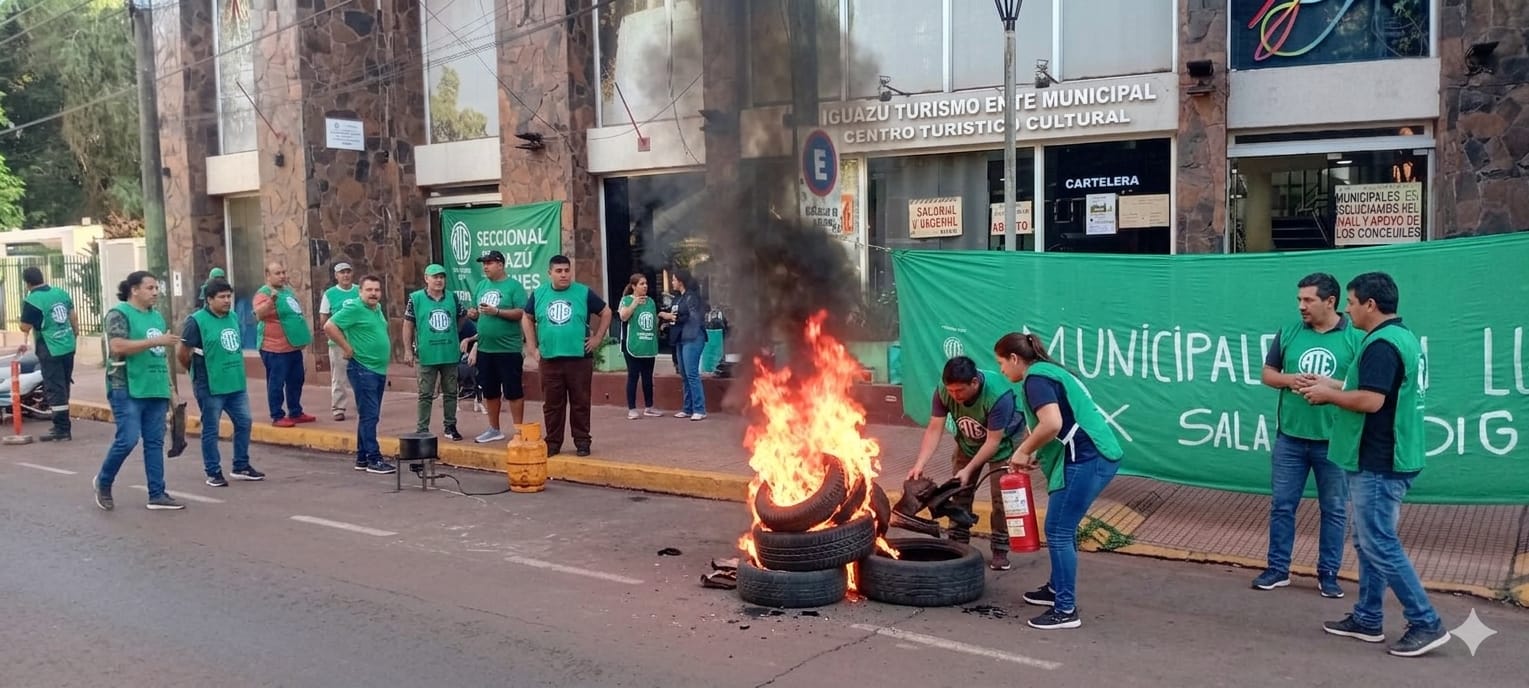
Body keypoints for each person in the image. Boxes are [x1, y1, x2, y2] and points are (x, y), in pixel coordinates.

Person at [1297, 272, 1450, 658]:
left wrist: (1326, 397)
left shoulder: (1381, 345)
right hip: (1387, 456)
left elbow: (1371, 400)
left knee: (1379, 542)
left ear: (1370, 305)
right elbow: (1369, 390)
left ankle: (1426, 621)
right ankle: (1367, 617)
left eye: (1351, 301)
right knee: (1368, 542)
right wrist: (1329, 384)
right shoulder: (1401, 337)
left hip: (1380, 460)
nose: (1347, 308)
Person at [994, 332, 1125, 630]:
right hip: (1094, 454)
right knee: (1063, 527)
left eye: (1001, 363)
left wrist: (1023, 450)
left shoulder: (1035, 379)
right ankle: (1055, 590)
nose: (1001, 370)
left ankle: (1065, 610)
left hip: (1088, 458)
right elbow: (1057, 424)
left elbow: (1052, 423)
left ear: (1015, 359)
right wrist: (1035, 451)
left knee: (1058, 529)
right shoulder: (1049, 371)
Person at [1253, 272, 1361, 597]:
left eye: (1308, 300)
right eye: (1299, 299)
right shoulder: (1288, 332)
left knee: (1335, 509)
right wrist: (1291, 380)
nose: (1301, 306)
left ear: (1330, 301)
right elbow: (1267, 374)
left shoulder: (1355, 337)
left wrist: (1330, 386)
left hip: (1335, 441)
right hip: (1291, 438)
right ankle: (1277, 569)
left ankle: (1328, 574)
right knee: (1282, 505)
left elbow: (1364, 387)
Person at [907, 355, 1025, 571]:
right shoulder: (943, 391)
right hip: (967, 444)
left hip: (1003, 446)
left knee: (1002, 499)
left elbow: (992, 442)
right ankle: (957, 542)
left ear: (974, 382)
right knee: (959, 492)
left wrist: (969, 470)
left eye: (959, 391)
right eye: (950, 391)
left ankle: (1000, 548)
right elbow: (934, 428)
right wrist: (920, 463)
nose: (954, 396)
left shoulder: (999, 396)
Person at [93, 271, 185, 511]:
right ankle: (103, 482)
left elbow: (162, 357)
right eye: (150, 288)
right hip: (125, 386)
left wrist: (171, 390)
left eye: (157, 288)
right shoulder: (119, 314)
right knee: (128, 439)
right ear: (134, 290)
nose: (155, 292)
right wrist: (155, 341)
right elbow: (116, 347)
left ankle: (157, 493)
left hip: (154, 386)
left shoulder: (156, 318)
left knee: (155, 442)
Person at [523, 254, 611, 457]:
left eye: (566, 270)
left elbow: (606, 312)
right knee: (552, 404)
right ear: (550, 273)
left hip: (579, 358)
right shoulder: (539, 294)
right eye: (559, 271)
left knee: (580, 402)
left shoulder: (583, 292)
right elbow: (526, 318)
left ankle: (582, 441)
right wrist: (532, 346)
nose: (563, 275)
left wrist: (597, 337)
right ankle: (553, 443)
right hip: (550, 358)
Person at [178, 278, 263, 487]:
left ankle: (241, 465)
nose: (227, 301)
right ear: (209, 300)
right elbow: (183, 353)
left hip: (235, 383)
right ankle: (213, 471)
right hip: (209, 385)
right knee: (211, 429)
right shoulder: (196, 321)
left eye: (229, 296)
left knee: (244, 422)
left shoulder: (232, 317)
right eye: (222, 297)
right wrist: (195, 372)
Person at [323, 274, 396, 475]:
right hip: (363, 369)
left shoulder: (377, 309)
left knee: (368, 416)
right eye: (369, 290)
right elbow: (329, 326)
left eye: (377, 290)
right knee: (370, 416)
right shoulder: (354, 308)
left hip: (377, 369)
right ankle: (374, 458)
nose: (373, 294)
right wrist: (346, 348)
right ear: (360, 291)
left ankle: (362, 457)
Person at [466, 250, 528, 443]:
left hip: (508, 349)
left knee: (513, 391)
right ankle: (494, 428)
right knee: (490, 390)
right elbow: (476, 311)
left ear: (500, 265)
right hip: (486, 348)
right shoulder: (481, 285)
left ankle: (519, 430)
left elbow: (521, 313)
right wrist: (473, 314)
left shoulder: (514, 287)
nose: (485, 267)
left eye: (489, 263)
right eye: (484, 263)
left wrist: (497, 311)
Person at [403, 264, 467, 440]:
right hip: (426, 354)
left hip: (449, 353)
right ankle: (422, 428)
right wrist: (408, 350)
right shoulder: (415, 299)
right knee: (425, 393)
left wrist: (455, 333)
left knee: (451, 391)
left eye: (442, 277)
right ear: (426, 278)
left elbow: (462, 316)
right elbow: (408, 324)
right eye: (435, 277)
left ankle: (450, 426)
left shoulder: (452, 298)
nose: (439, 280)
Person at [17, 265, 78, 442]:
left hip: (50, 348)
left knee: (54, 387)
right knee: (64, 385)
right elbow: (73, 317)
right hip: (68, 345)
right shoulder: (60, 293)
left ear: (27, 283)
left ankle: (61, 429)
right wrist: (73, 335)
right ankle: (63, 424)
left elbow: (25, 326)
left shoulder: (33, 300)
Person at [254, 261, 315, 427]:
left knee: (296, 379)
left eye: (283, 272)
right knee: (276, 382)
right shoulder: (263, 293)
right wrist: (270, 302)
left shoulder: (287, 291)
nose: (282, 276)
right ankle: (277, 415)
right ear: (268, 276)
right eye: (277, 273)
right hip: (274, 348)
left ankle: (295, 411)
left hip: (292, 347)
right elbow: (258, 314)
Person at [659, 271, 707, 420]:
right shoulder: (678, 298)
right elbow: (678, 317)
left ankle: (699, 409)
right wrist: (667, 322)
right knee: (685, 375)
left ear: (681, 281)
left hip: (693, 338)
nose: (672, 282)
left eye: (673, 280)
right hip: (680, 338)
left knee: (692, 374)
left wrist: (672, 317)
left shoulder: (691, 297)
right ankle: (687, 408)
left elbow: (693, 318)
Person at [617, 273, 662, 419]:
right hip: (632, 345)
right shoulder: (626, 300)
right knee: (633, 376)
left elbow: (653, 322)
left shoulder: (651, 302)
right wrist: (634, 303)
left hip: (647, 344)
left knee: (648, 377)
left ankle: (649, 407)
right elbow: (623, 316)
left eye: (646, 283)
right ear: (634, 286)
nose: (645, 286)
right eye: (642, 284)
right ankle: (632, 409)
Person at [318, 262, 359, 421]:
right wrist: (331, 335)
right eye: (342, 272)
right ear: (336, 276)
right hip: (338, 342)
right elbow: (324, 317)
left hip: (358, 341)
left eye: (348, 272)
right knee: (339, 377)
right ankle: (338, 408)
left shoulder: (358, 290)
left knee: (361, 376)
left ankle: (363, 405)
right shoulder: (330, 294)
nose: (346, 275)